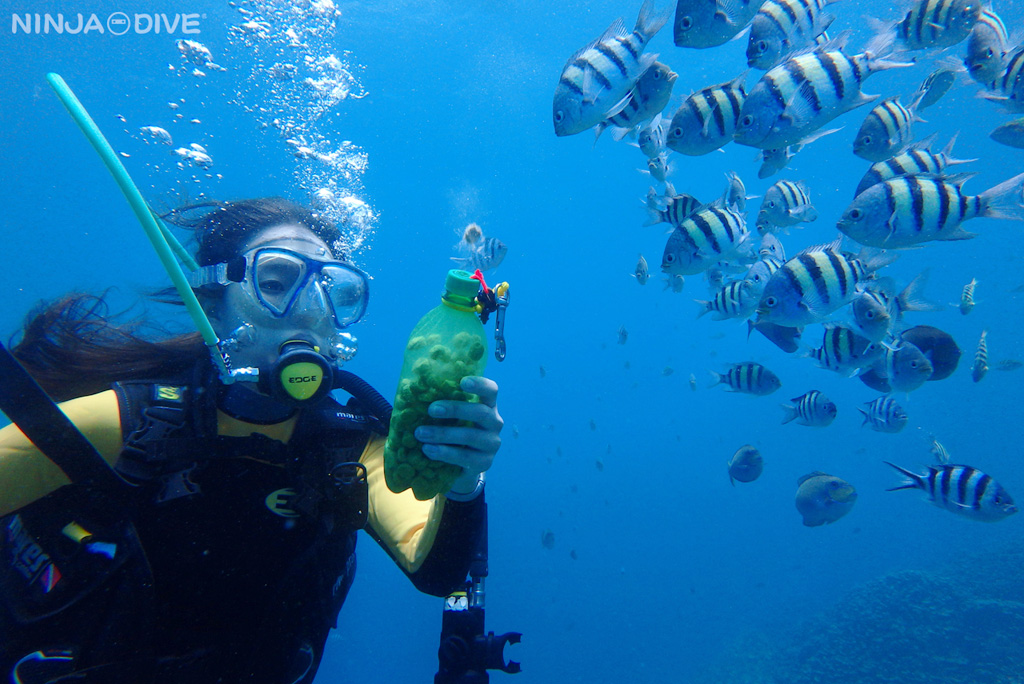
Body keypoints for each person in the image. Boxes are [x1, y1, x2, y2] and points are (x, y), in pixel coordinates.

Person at [0, 197, 503, 683]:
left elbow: (435, 570)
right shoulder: (132, 422)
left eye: (332, 289)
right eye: (276, 281)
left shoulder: (348, 448)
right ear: (214, 303)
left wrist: (462, 479)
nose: (309, 308)